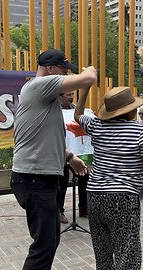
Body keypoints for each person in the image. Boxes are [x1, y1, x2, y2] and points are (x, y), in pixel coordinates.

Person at [10, 48, 97, 270]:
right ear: (49, 68)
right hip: (35, 178)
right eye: (63, 70)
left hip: (39, 177)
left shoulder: (46, 100)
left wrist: (70, 157)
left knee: (50, 240)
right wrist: (90, 71)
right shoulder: (40, 85)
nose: (66, 75)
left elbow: (42, 137)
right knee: (44, 245)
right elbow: (89, 78)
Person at [74, 86, 143, 270]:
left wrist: (85, 89)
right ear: (130, 111)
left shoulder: (96, 125)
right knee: (127, 252)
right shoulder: (139, 130)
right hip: (123, 198)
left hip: (95, 196)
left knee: (103, 254)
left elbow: (77, 114)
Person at [58, 91, 90, 224]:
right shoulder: (54, 112)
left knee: (84, 178)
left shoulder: (79, 110)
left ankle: (84, 208)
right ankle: (59, 211)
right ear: (60, 97)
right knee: (62, 183)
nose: (71, 97)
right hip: (62, 154)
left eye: (72, 94)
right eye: (68, 94)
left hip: (78, 153)